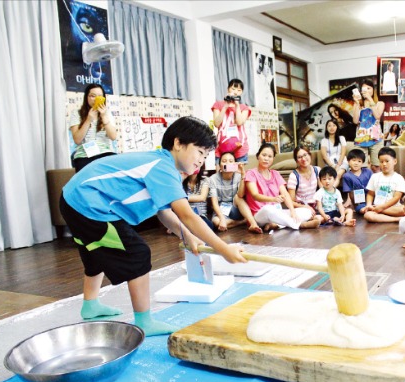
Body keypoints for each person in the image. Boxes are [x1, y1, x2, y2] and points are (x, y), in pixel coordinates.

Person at [60, 116, 246, 336]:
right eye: (200, 152)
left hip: (73, 199)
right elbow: (187, 215)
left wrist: (186, 236)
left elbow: (164, 211)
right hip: (87, 203)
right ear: (178, 143)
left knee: (95, 251)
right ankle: (144, 321)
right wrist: (223, 250)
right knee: (137, 253)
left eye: (206, 155)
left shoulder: (161, 164)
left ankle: (90, 305)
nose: (201, 160)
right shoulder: (163, 166)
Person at [245, 143, 320, 232]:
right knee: (268, 209)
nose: (266, 158)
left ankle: (276, 224)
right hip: (260, 214)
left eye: (270, 156)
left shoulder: (275, 174)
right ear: (258, 156)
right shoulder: (251, 173)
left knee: (307, 211)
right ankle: (300, 225)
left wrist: (292, 211)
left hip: (277, 212)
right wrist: (273, 199)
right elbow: (255, 195)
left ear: (273, 159)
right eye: (264, 155)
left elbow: (285, 194)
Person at [209, 152, 261, 234]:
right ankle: (242, 222)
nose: (227, 163)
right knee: (216, 223)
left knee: (237, 197)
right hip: (221, 209)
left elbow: (240, 195)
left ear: (235, 164)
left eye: (230, 161)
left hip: (235, 208)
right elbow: (214, 203)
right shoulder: (213, 179)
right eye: (224, 161)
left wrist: (243, 174)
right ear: (220, 165)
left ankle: (253, 223)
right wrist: (222, 219)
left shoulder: (238, 176)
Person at [69, 84, 117, 172]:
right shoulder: (76, 113)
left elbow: (113, 137)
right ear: (86, 97)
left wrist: (104, 116)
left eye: (100, 96)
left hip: (105, 153)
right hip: (85, 155)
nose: (96, 99)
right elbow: (77, 140)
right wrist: (88, 120)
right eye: (93, 96)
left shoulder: (107, 113)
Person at [212, 79, 252, 169]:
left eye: (239, 90)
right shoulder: (218, 104)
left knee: (238, 175)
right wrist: (225, 106)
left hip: (239, 146)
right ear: (228, 89)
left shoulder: (244, 107)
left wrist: (237, 106)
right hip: (222, 145)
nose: (235, 92)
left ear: (241, 92)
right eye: (233, 88)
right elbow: (216, 124)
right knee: (220, 174)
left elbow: (239, 122)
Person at [361, 147, 405, 223]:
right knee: (367, 215)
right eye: (381, 162)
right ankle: (397, 219)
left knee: (404, 209)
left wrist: (382, 208)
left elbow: (397, 197)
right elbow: (370, 194)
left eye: (387, 161)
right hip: (377, 207)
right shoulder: (374, 176)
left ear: (395, 161)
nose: (384, 164)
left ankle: (382, 213)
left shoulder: (399, 178)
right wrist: (369, 205)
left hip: (392, 208)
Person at [352, 78, 385, 173]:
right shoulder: (358, 104)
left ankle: (377, 187)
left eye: (368, 88)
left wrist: (370, 99)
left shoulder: (380, 103)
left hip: (376, 138)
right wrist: (356, 103)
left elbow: (377, 116)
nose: (365, 90)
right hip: (361, 138)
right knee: (361, 167)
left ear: (373, 90)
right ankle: (364, 187)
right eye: (363, 88)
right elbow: (355, 121)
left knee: (376, 166)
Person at [287, 146, 321, 216]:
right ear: (296, 161)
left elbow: (323, 191)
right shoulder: (294, 176)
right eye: (299, 157)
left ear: (310, 155)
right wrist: (304, 207)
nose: (303, 159)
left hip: (317, 207)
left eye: (305, 155)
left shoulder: (317, 170)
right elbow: (291, 201)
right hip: (302, 208)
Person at [341, 149, 373, 214]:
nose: (356, 163)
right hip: (360, 202)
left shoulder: (368, 172)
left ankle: (371, 209)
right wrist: (355, 206)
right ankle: (369, 210)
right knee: (360, 209)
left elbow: (374, 186)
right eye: (353, 160)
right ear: (348, 161)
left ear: (362, 163)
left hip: (372, 199)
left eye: (359, 161)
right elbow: (351, 193)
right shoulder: (346, 176)